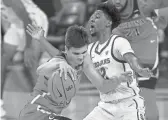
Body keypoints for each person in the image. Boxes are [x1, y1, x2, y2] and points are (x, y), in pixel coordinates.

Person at [26, 3, 153, 120]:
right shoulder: (89, 51)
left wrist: (139, 69)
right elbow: (64, 57)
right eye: (92, 16)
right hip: (105, 107)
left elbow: (131, 58)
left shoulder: (118, 42)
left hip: (128, 106)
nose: (92, 19)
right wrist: (41, 39)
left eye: (97, 16)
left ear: (108, 23)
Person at [19, 25, 132, 120]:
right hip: (34, 114)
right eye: (76, 54)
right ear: (66, 50)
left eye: (83, 52)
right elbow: (41, 70)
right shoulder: (58, 61)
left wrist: (118, 79)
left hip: (51, 116)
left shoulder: (83, 61)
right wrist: (59, 63)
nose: (80, 57)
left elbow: (102, 85)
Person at [106, 0, 168, 120]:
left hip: (146, 51)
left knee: (146, 93)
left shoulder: (145, 5)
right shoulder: (106, 10)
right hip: (124, 54)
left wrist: (160, 25)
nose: (117, 1)